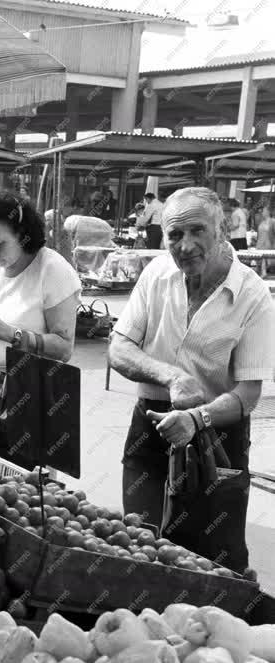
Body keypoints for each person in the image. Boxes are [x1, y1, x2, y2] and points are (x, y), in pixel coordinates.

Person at [109, 186, 275, 572]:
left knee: (214, 558)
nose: (185, 245)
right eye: (174, 235)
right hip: (152, 420)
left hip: (217, 432)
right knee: (139, 544)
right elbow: (119, 349)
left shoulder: (253, 297)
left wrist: (196, 418)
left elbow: (248, 394)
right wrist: (171, 377)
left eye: (197, 231)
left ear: (222, 230)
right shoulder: (157, 274)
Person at [0, 192, 81, 445]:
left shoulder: (53, 270)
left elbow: (63, 349)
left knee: (18, 479)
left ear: (22, 234)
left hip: (30, 392)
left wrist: (10, 333)